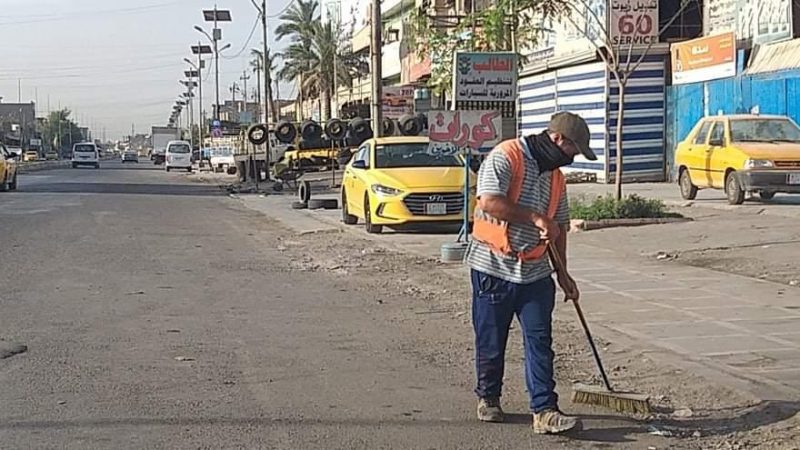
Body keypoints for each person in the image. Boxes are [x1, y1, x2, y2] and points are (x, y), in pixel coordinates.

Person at [465, 111, 597, 434]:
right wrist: (535, 218)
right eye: (572, 151)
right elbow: (488, 202)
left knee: (540, 340)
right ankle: (489, 396)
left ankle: (545, 410)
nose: (571, 159)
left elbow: (560, 227)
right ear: (557, 140)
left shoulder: (556, 177)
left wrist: (563, 273)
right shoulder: (506, 156)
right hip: (493, 267)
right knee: (491, 340)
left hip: (536, 271)